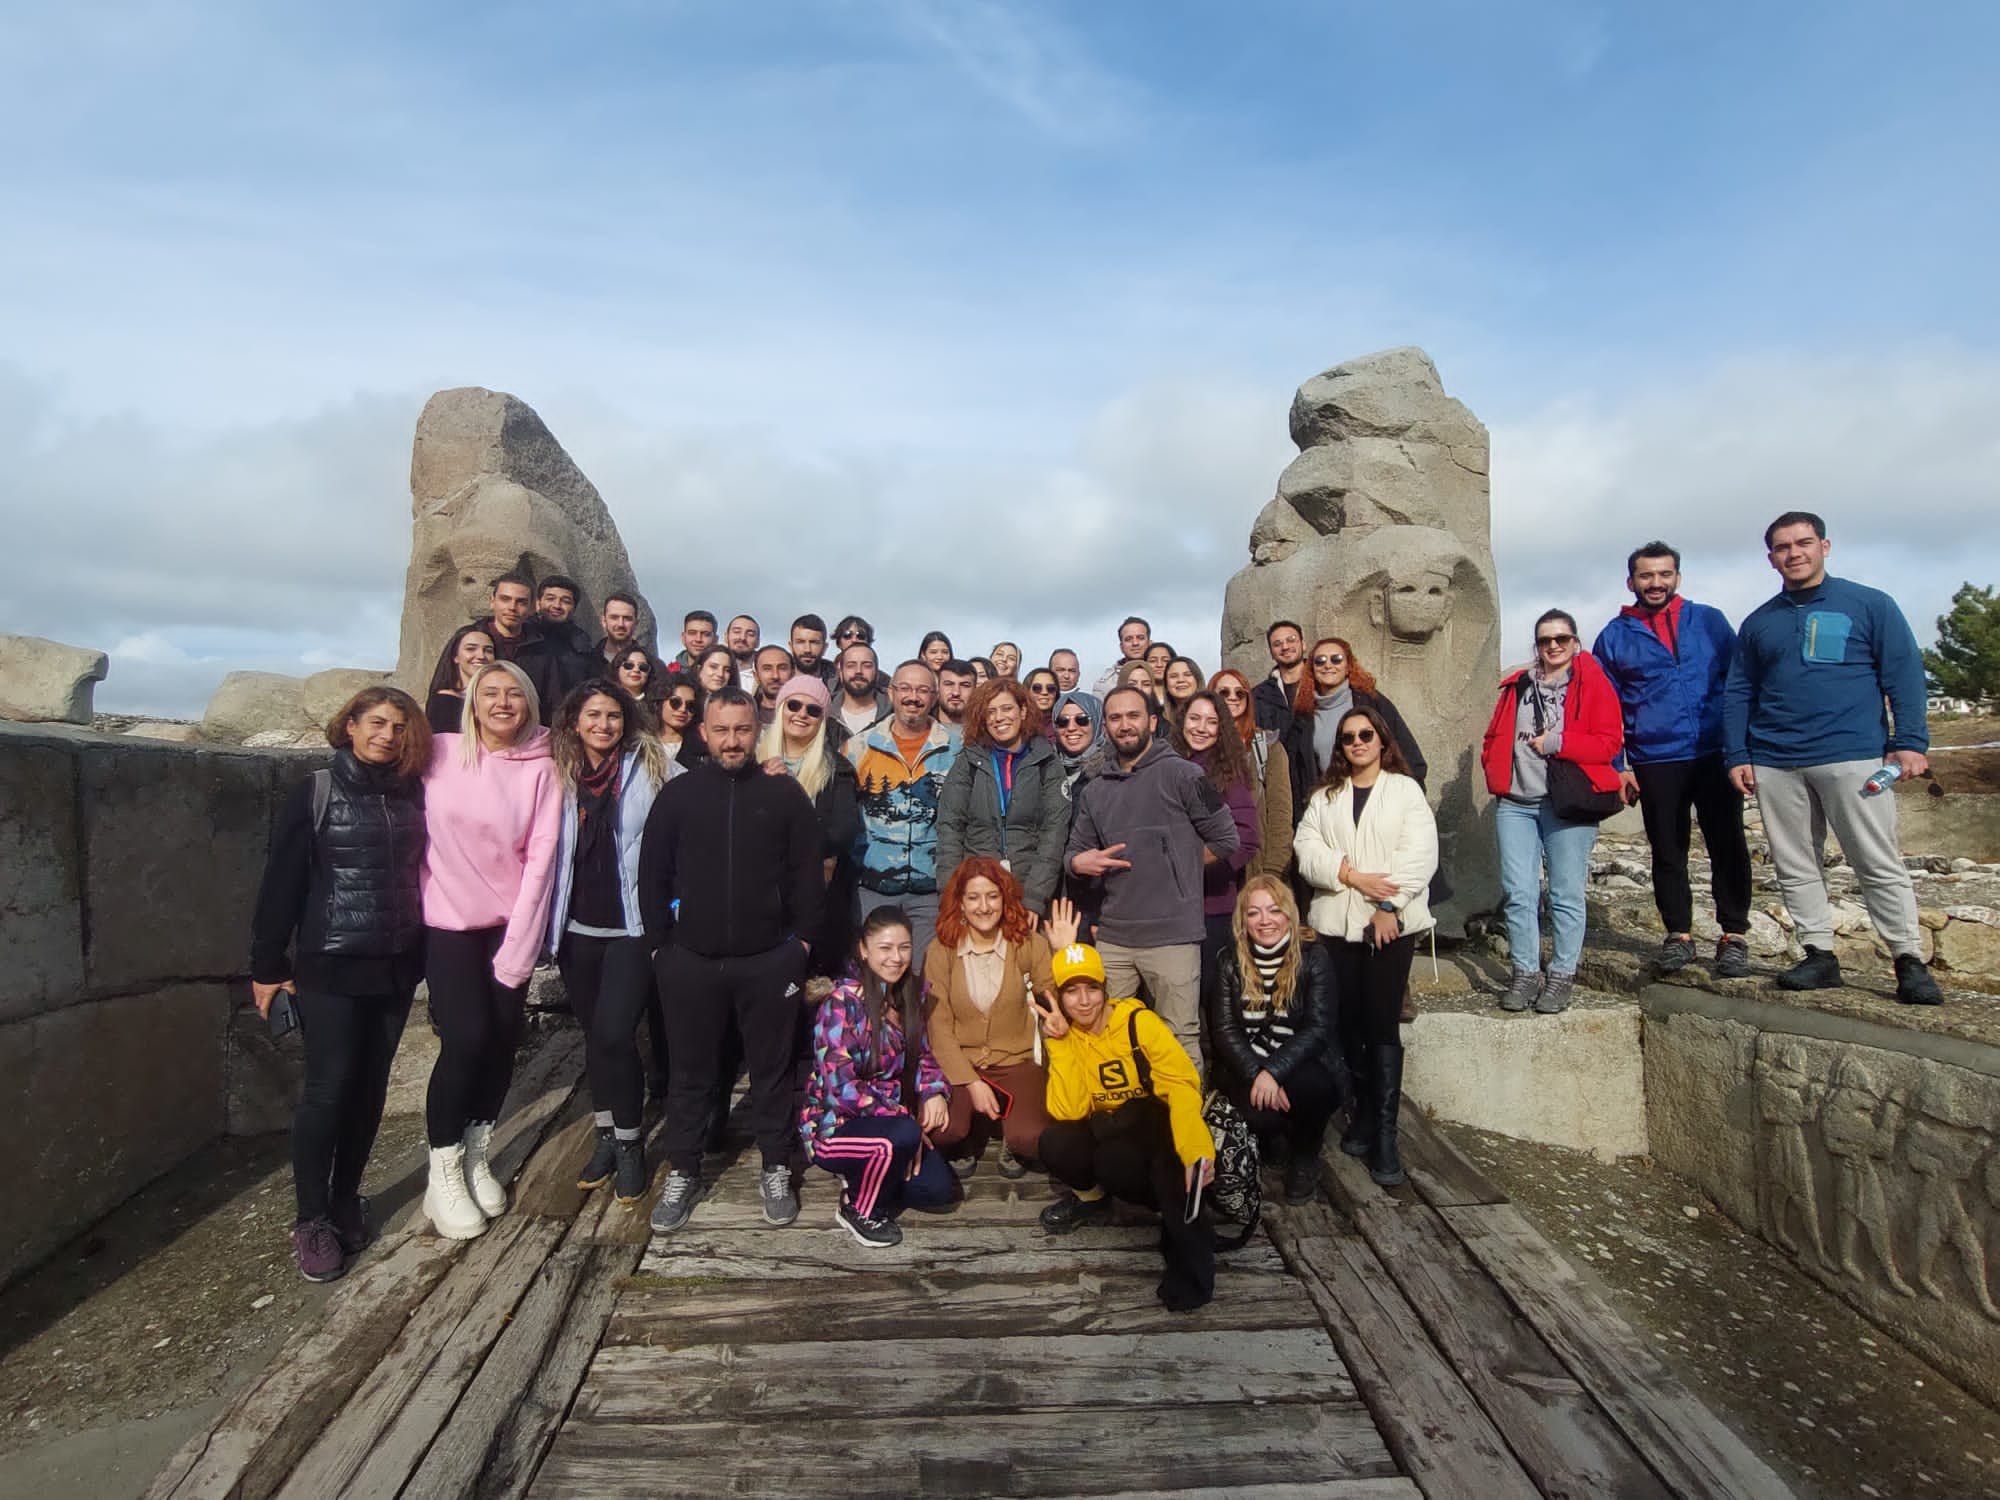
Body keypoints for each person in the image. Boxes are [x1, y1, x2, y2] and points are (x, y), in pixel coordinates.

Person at [1723, 511, 1942, 1004]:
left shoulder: (1869, 605)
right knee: (1795, 862)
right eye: (1782, 547)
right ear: (1771, 557)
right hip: (1776, 760)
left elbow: (1904, 674)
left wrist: (1909, 742)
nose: (1793, 553)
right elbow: (1739, 691)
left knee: (1875, 860)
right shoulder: (1759, 622)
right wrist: (1737, 752)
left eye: (1803, 543)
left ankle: (1908, 960)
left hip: (1853, 756)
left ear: (1825, 545)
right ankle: (1819, 953)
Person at [250, 687, 430, 1281]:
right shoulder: (316, 792)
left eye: (399, 727)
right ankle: (311, 1219)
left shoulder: (415, 792)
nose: (387, 735)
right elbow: (281, 882)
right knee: (327, 1089)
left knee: (370, 1089)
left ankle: (347, 1196)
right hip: (331, 964)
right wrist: (268, 966)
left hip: (397, 962)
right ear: (349, 725)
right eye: (376, 723)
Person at [640, 686, 825, 1233]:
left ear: (756, 729)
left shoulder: (785, 795)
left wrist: (802, 945)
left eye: (742, 730)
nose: (732, 741)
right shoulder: (678, 795)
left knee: (771, 1070)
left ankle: (774, 1164)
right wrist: (660, 945)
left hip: (769, 959)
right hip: (690, 960)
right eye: (721, 730)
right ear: (704, 732)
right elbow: (652, 874)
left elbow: (807, 876)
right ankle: (684, 1168)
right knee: (691, 1072)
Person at [419, 661, 562, 1239]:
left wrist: (520, 944)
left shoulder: (544, 769)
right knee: (465, 1038)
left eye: (515, 695)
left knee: (503, 1040)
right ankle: (443, 1169)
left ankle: (478, 1148)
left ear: (529, 704)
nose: (503, 703)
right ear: (473, 702)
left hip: (509, 923)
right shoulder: (438, 753)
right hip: (448, 923)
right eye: (491, 694)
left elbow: (541, 858)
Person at [1592, 540, 1756, 978]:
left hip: (1714, 750)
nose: (1656, 583)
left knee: (1728, 843)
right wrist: (1618, 765)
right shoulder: (1613, 635)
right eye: (1646, 576)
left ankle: (1734, 935)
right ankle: (1679, 935)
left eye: (1664, 574)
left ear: (1677, 577)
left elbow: (1739, 684)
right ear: (1632, 582)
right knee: (1667, 849)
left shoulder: (1710, 621)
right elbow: (1606, 708)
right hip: (1654, 757)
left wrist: (1744, 748)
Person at [1293, 705, 1438, 1187]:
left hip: (1389, 928)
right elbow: (1306, 848)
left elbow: (1419, 854)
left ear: (1382, 741)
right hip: (1335, 926)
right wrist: (1349, 875)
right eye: (1349, 737)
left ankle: (1385, 1134)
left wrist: (1389, 906)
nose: (1357, 742)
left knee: (1380, 1028)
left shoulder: (1405, 791)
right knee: (1345, 1025)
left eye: (1365, 735)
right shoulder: (1326, 796)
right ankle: (1359, 1118)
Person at [1065, 686, 1241, 1075]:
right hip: (1114, 937)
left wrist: (1176, 864)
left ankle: (1186, 1126)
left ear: (1152, 722)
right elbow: (1073, 852)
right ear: (1105, 727)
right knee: (1104, 1033)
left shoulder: (1186, 774)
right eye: (1115, 718)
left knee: (1179, 1036)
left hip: (1173, 936)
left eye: (1133, 716)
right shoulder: (1095, 790)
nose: (1125, 725)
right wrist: (1080, 861)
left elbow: (1227, 839)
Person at [547, 680, 677, 1205]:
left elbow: (699, 795)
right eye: (594, 715)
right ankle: (605, 1132)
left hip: (630, 927)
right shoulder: (555, 770)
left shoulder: (651, 765)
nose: (604, 725)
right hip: (576, 927)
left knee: (613, 1033)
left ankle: (629, 1142)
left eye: (614, 716)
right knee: (593, 1037)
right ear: (575, 720)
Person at [1039, 941, 1217, 1312]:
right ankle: (1099, 1200)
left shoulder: (1139, 1022)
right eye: (1071, 991)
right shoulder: (1067, 1036)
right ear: (1059, 996)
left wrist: (1196, 1152)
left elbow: (1182, 1088)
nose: (1084, 1001)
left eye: (1092, 988)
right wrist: (1058, 1044)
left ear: (1106, 988)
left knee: (1170, 1172)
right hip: (1112, 1132)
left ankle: (1187, 1256)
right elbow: (1069, 1111)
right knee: (1058, 1143)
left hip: (1155, 1121)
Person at [1480, 611, 1624, 1015]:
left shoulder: (1593, 684)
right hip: (1517, 803)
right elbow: (1496, 734)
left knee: (1564, 893)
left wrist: (1560, 742)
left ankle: (1561, 974)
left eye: (1561, 638)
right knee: (1519, 892)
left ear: (1575, 642)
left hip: (1567, 804)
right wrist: (1493, 765)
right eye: (1545, 640)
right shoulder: (1518, 685)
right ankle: (1525, 973)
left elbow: (1609, 742)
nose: (1554, 645)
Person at [801, 907, 955, 1246]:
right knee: (899, 1135)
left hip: (891, 1125)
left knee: (937, 1190)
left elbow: (925, 1055)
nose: (896, 958)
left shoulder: (911, 995)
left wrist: (933, 1092)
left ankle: (874, 1168)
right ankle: (857, 1208)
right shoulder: (840, 1004)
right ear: (864, 949)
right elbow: (839, 1089)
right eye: (885, 948)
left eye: (903, 947)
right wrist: (905, 1122)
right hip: (836, 1125)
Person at [1204, 876, 1341, 1205]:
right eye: (1253, 913)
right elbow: (1223, 1029)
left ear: (1289, 914)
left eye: (1273, 910)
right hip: (1246, 1062)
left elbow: (1319, 1027)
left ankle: (1306, 1156)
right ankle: (1272, 1138)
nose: (1264, 921)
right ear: (1243, 920)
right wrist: (1257, 1073)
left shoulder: (1313, 957)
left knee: (1317, 1089)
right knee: (1257, 1110)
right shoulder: (1229, 961)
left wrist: (1274, 1072)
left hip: (1298, 1059)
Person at [925, 864, 1062, 1179]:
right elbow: (939, 1025)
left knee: (1031, 1139)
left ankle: (1007, 1128)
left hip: (1017, 1060)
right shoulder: (941, 950)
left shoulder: (1028, 943)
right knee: (944, 1131)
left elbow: (1053, 995)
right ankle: (971, 1128)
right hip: (962, 1062)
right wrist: (970, 1082)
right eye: (973, 898)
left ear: (1005, 899)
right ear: (960, 902)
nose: (983, 907)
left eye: (992, 896)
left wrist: (1064, 953)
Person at [847, 661, 960, 960]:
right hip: (872, 887)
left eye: (923, 690)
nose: (914, 697)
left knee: (927, 976)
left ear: (934, 697)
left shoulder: (957, 749)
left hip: (931, 891)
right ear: (891, 692)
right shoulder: (858, 748)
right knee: (874, 972)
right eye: (906, 689)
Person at [936, 678, 1069, 918]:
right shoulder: (968, 761)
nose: (999, 718)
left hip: (1027, 888)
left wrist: (1035, 898)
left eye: (1007, 708)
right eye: (991, 712)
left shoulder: (1046, 762)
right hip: (977, 891)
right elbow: (950, 829)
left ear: (1023, 710)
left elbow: (1054, 833)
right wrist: (951, 895)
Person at [757, 673, 863, 974]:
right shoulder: (751, 762)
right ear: (780, 709)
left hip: (812, 899)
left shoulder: (837, 770)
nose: (801, 714)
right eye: (793, 705)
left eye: (813, 710)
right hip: (755, 896)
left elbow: (843, 831)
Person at [1279, 637, 1427, 826]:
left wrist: (1409, 804)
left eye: (1336, 659)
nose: (1328, 665)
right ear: (1312, 669)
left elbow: (1409, 754)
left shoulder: (1372, 703)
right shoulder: (1303, 716)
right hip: (1329, 812)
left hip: (1376, 808)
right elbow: (1296, 775)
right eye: (1320, 661)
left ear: (1349, 665)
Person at [1172, 690, 1260, 956]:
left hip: (1211, 906)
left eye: (1211, 722)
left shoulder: (1220, 775)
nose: (1201, 728)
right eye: (1194, 719)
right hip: (1167, 908)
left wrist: (1192, 866)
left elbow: (1246, 839)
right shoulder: (1166, 766)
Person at [438, 571, 564, 725]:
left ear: (532, 608)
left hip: (528, 737)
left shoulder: (542, 648)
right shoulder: (470, 640)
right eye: (505, 599)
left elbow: (554, 703)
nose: (512, 607)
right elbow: (443, 684)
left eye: (521, 602)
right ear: (492, 601)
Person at [1211, 668, 1293, 879]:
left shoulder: (1269, 747)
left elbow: (1280, 815)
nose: (1232, 698)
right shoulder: (1200, 750)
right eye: (1224, 693)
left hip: (1255, 868)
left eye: (1240, 693)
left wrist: (1273, 871)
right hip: (1212, 869)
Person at [425, 624, 494, 736]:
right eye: (471, 649)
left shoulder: (500, 698)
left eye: (488, 650)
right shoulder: (445, 700)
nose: (481, 655)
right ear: (455, 657)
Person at [1252, 620, 1308, 732]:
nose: (1285, 647)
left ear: (1303, 645)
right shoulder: (1258, 696)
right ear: (1271, 653)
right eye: (1277, 644)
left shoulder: (1323, 684)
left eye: (1291, 640)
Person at [834, 642, 890, 736]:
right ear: (841, 674)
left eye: (867, 666)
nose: (858, 671)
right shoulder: (822, 714)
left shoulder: (894, 715)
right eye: (851, 665)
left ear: (877, 674)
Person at [1091, 616, 1152, 698]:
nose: (1135, 643)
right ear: (1121, 647)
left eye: (1140, 638)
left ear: (1150, 643)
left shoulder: (1165, 675)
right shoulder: (1104, 685)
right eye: (1128, 639)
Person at [655, 677, 700, 765]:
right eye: (675, 702)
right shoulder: (639, 745)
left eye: (691, 705)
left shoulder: (702, 749)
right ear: (660, 702)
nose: (683, 709)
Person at [612, 646, 660, 728]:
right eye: (629, 665)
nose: (636, 670)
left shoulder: (658, 705)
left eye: (643, 667)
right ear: (617, 669)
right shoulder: (608, 699)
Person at [751, 643, 795, 728]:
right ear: (756, 676)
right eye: (767, 669)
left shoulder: (805, 713)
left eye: (782, 668)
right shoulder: (745, 712)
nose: (775, 676)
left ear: (792, 674)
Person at [594, 592, 641, 668]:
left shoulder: (651, 666)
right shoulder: (585, 663)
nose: (620, 624)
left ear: (636, 623)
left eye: (627, 618)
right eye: (614, 617)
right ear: (604, 621)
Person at [789, 613, 837, 688]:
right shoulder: (776, 684)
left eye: (814, 642)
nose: (807, 650)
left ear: (825, 647)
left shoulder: (840, 687)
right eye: (800, 642)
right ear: (791, 646)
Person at [668, 609, 717, 675]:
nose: (698, 639)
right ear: (683, 638)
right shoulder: (668, 675)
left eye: (705, 634)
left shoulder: (724, 674)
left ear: (715, 640)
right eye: (692, 633)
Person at [936, 658, 977, 731]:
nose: (956, 693)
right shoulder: (919, 728)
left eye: (965, 685)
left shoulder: (987, 733)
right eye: (949, 684)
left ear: (975, 690)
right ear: (937, 688)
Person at [1162, 656, 1204, 725]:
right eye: (1173, 676)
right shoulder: (1156, 717)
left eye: (1187, 675)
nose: (1181, 680)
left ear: (1197, 680)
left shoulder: (1214, 713)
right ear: (1166, 684)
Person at [725, 615, 761, 690]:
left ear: (758, 642)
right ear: (726, 637)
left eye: (750, 634)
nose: (742, 638)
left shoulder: (765, 676)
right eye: (737, 632)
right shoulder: (713, 672)